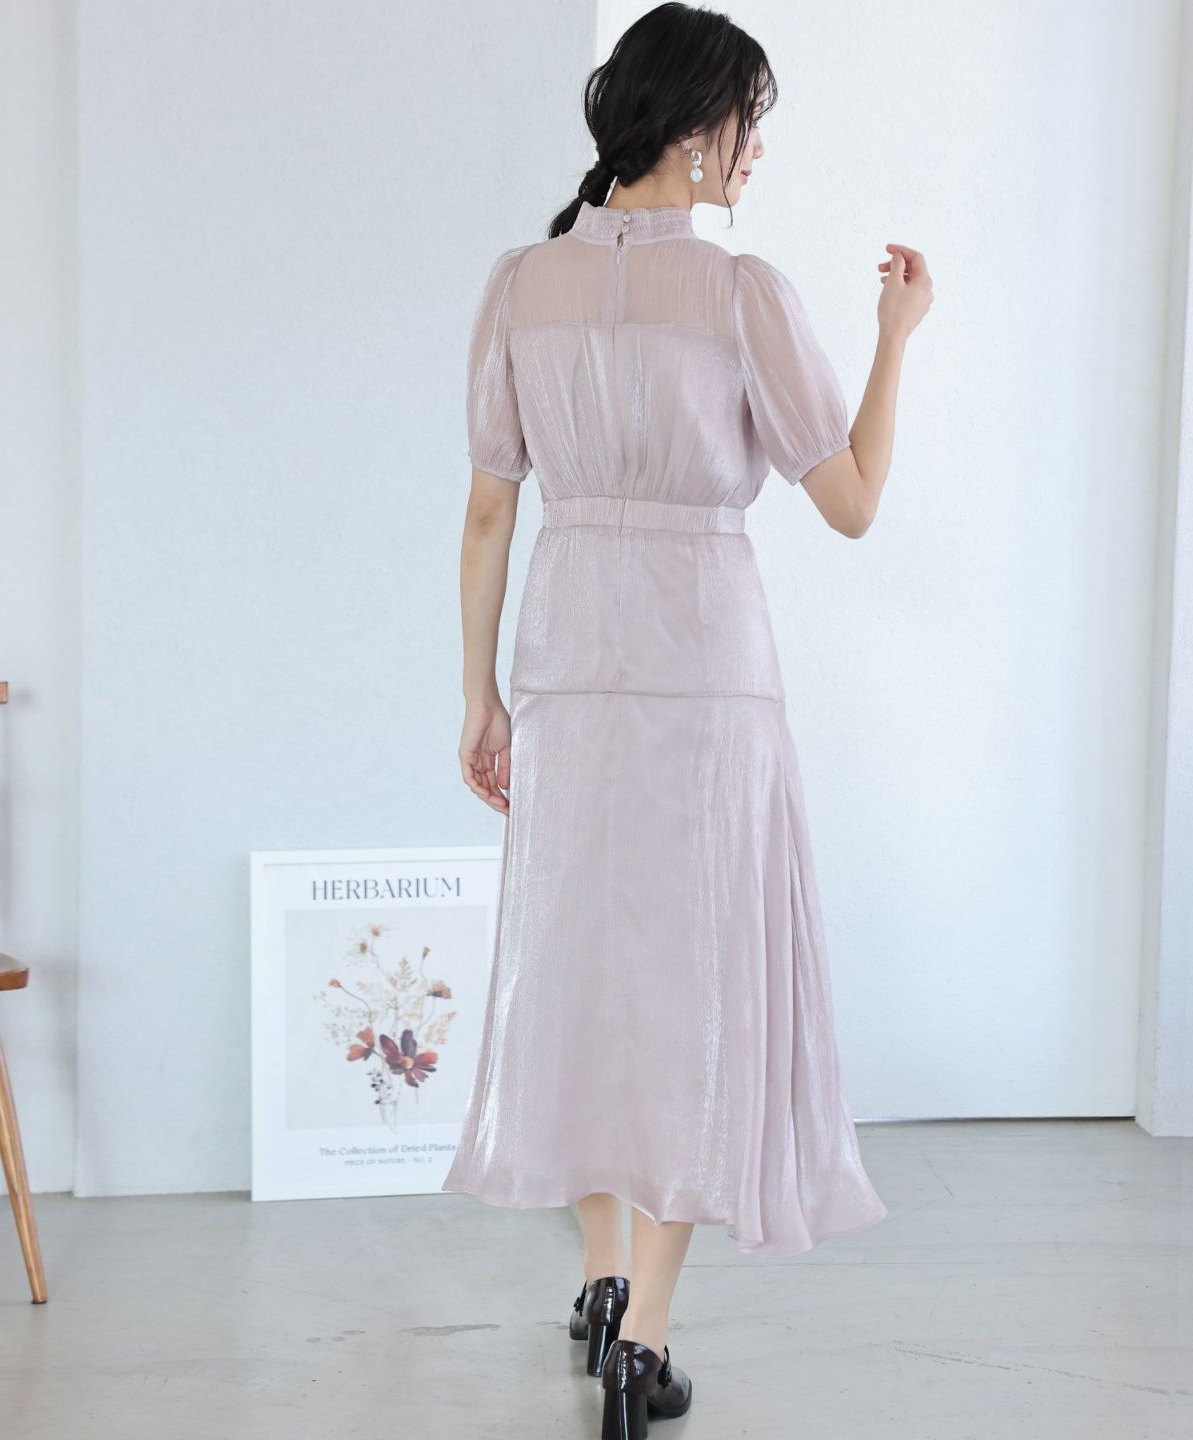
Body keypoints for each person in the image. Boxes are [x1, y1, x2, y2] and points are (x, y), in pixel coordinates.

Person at [443, 4, 932, 1434]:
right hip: (708, 676)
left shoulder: (519, 283)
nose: (756, 151)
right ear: (699, 127)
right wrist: (896, 337)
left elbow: (488, 512)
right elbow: (850, 500)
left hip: (567, 668)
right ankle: (641, 1342)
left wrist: (478, 695)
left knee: (588, 977)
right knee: (695, 994)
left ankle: (601, 1283)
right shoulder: (741, 293)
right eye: (749, 124)